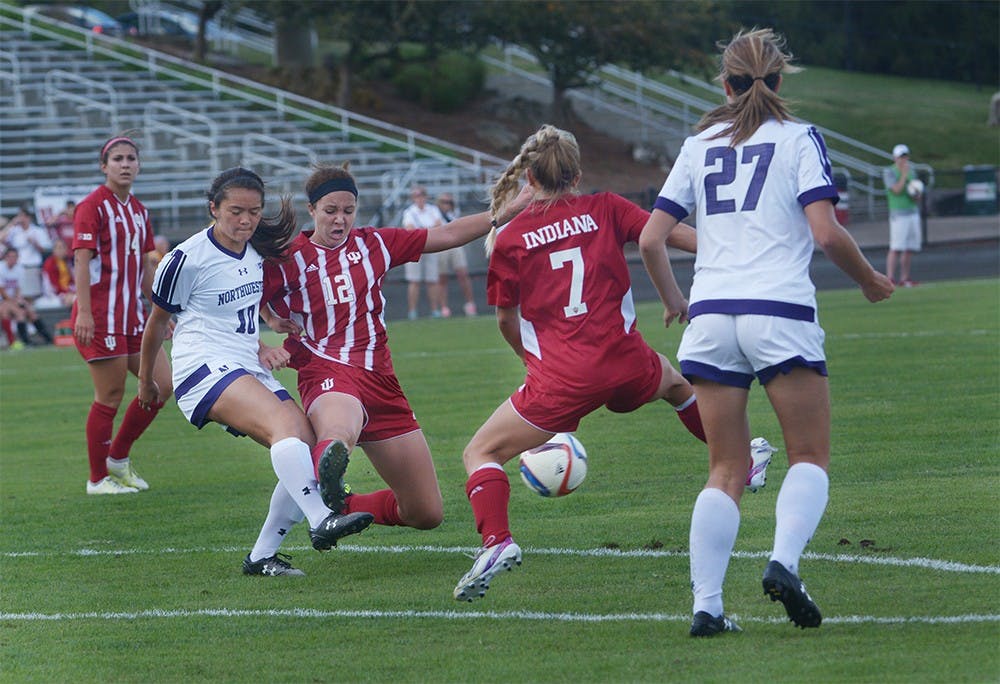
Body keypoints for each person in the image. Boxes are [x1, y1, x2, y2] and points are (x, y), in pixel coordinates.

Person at [639, 28, 894, 637]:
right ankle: (783, 562)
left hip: (711, 317)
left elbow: (650, 238)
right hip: (778, 313)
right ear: (779, 81)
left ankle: (707, 607)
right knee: (808, 456)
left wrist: (677, 299)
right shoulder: (801, 138)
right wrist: (868, 281)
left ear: (723, 84)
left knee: (724, 470)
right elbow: (826, 233)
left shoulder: (698, 144)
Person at [451, 124, 774, 604]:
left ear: (529, 179)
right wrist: (740, 249)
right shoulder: (606, 207)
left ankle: (497, 542)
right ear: (577, 174)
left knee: (481, 453)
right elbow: (673, 235)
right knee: (675, 384)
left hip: (561, 379)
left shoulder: (509, 238)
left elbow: (505, 319)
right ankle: (746, 458)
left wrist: (529, 362)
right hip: (624, 363)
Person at [260, 162, 533, 544]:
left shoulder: (375, 243)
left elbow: (448, 234)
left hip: (382, 380)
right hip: (328, 370)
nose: (340, 220)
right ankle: (329, 469)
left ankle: (340, 505)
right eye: (330, 211)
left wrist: (507, 211)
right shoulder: (288, 260)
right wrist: (268, 324)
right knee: (340, 432)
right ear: (312, 211)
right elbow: (240, 298)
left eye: (348, 211)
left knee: (425, 512)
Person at [139, 166, 374, 577]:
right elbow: (157, 323)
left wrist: (268, 330)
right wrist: (147, 381)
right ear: (213, 209)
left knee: (305, 444)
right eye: (235, 211)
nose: (245, 220)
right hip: (201, 367)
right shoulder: (186, 259)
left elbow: (244, 303)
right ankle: (321, 518)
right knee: (284, 424)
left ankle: (262, 556)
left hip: (244, 362)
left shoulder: (256, 249)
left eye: (253, 211)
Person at [72, 135, 173, 495]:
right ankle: (97, 479)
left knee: (161, 386)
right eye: (118, 159)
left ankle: (118, 457)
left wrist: (159, 311)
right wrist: (84, 313)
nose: (126, 164)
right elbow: (81, 262)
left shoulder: (139, 211)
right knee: (110, 395)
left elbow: (147, 265)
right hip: (101, 316)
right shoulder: (92, 206)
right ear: (104, 166)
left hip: (133, 316)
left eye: (131, 158)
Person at [402, 185, 445, 319]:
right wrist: (428, 231)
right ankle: (412, 312)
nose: (419, 198)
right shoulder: (409, 212)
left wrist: (423, 231)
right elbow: (409, 229)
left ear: (425, 196)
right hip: (415, 248)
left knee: (432, 280)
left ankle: (435, 310)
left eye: (421, 195)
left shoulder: (433, 210)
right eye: (416, 196)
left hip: (431, 247)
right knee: (414, 281)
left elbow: (439, 225)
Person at [883, 144, 922, 286]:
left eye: (905, 156)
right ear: (895, 158)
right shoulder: (890, 172)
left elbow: (915, 193)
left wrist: (916, 193)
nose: (903, 160)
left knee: (909, 247)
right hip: (898, 214)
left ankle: (905, 278)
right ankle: (890, 277)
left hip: (912, 212)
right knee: (896, 247)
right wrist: (904, 175)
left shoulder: (912, 172)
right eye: (901, 157)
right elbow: (896, 190)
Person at [435, 193, 478, 317]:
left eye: (449, 202)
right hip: (441, 246)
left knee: (463, 274)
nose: (446, 205)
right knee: (442, 277)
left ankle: (470, 303)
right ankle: (443, 307)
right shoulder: (434, 213)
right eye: (444, 202)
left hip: (455, 245)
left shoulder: (454, 213)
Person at [0, 246, 54, 347]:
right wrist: (13, 302)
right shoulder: (1, 268)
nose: (13, 259)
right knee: (19, 313)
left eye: (15, 257)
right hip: (3, 300)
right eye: (10, 257)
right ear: (6, 257)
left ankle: (47, 338)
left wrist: (17, 300)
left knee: (31, 312)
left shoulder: (19, 269)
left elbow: (17, 288)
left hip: (11, 299)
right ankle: (24, 341)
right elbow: (2, 290)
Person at [4, 205, 52, 302]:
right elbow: (2, 239)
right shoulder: (15, 230)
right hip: (17, 267)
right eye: (19, 216)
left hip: (32, 266)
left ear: (28, 218)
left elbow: (44, 250)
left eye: (22, 216)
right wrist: (11, 224)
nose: (20, 219)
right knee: (18, 297)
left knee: (31, 296)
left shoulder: (37, 231)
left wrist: (34, 243)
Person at [37, 238, 77, 309]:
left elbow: (72, 280)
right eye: (58, 248)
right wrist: (66, 293)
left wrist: (72, 291)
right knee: (75, 300)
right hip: (52, 293)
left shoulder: (68, 262)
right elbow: (53, 285)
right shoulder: (50, 263)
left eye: (63, 247)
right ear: (54, 250)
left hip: (67, 291)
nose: (60, 250)